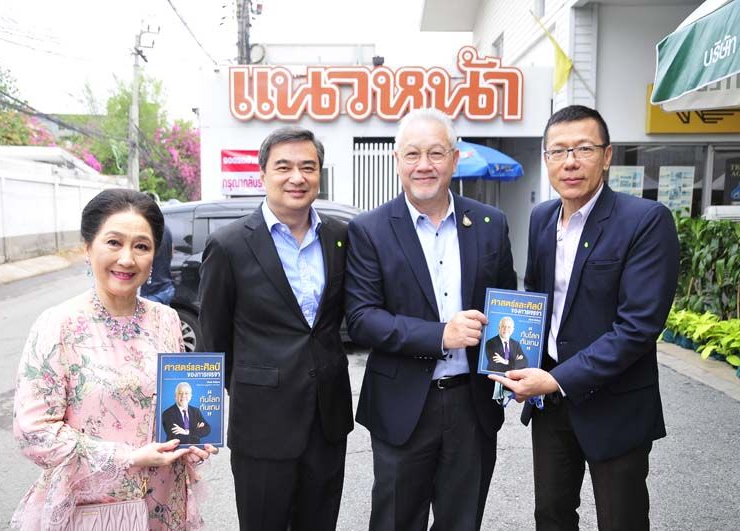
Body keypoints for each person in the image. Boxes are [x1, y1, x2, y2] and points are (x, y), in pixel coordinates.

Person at [490, 105, 679, 531]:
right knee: (551, 516)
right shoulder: (542, 218)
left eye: (583, 149)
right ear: (546, 159)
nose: (570, 161)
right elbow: (537, 299)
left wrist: (556, 379)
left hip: (615, 402)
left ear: (607, 155)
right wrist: (516, 359)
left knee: (621, 520)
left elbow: (638, 327)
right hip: (551, 404)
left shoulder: (645, 221)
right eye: (558, 151)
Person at [345, 107, 517, 531]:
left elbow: (507, 306)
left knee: (462, 521)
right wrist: (442, 335)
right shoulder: (369, 229)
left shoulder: (490, 224)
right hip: (401, 405)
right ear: (397, 161)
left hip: (472, 404)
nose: (424, 165)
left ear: (454, 159)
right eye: (413, 154)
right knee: (396, 521)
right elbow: (362, 319)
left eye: (436, 153)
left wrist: (515, 367)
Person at [11, 189, 217, 531]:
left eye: (141, 246)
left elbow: (174, 402)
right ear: (87, 247)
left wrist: (190, 442)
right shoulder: (58, 324)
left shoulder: (166, 320)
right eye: (113, 243)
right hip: (92, 508)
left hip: (163, 503)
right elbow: (33, 432)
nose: (127, 259)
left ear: (154, 255)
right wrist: (129, 458)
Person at [199, 126, 353, 531]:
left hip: (327, 418)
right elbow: (212, 341)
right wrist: (251, 388)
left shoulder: (339, 236)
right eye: (283, 167)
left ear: (319, 174)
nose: (296, 177)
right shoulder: (229, 244)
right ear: (263, 173)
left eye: (308, 167)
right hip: (261, 423)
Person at [140, 204, 175, 305]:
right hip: (166, 288)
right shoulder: (166, 229)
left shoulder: (148, 231)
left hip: (151, 292)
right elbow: (172, 251)